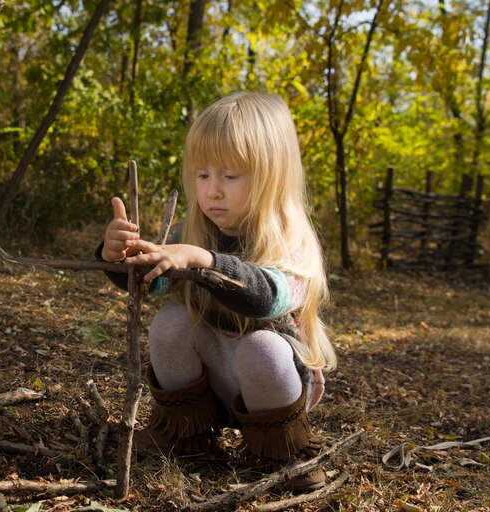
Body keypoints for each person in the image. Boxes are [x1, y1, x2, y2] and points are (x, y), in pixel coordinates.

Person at [96, 92, 336, 492]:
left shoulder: (291, 243)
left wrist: (203, 260)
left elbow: (265, 298)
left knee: (263, 348)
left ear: (271, 176)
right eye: (203, 175)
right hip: (212, 378)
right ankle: (185, 433)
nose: (213, 191)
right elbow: (148, 281)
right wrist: (117, 255)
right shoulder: (193, 234)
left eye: (230, 176)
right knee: (170, 321)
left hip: (271, 385)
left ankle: (282, 453)